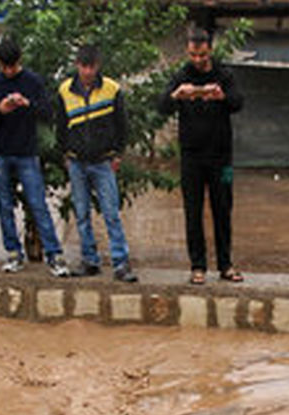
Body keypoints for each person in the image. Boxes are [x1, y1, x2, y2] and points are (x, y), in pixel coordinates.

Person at [157, 27, 244, 285]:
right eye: (194, 55)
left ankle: (225, 265)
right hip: (191, 157)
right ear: (188, 51)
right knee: (192, 212)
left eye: (202, 55)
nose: (198, 60)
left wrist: (222, 96)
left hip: (221, 157)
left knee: (223, 210)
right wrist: (177, 95)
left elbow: (239, 102)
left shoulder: (224, 74)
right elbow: (161, 106)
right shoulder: (181, 75)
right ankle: (198, 266)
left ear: (210, 50)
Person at [0, 37, 70, 277]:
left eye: (13, 66)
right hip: (0, 152)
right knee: (4, 205)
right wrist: (0, 110)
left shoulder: (32, 81)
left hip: (27, 151)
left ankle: (54, 255)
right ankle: (13, 253)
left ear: (20, 61)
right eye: (4, 67)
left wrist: (27, 103)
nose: (9, 71)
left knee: (38, 204)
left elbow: (48, 113)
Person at [55, 44, 137, 282]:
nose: (87, 71)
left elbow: (122, 125)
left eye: (91, 67)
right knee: (81, 213)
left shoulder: (112, 90)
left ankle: (121, 263)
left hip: (103, 161)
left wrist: (118, 153)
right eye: (83, 66)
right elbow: (60, 126)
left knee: (111, 212)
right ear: (77, 65)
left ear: (97, 66)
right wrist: (65, 154)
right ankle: (90, 260)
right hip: (77, 162)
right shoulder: (65, 91)